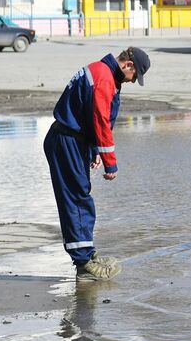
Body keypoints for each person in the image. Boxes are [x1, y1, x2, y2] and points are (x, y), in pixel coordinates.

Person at [43, 47, 150, 281]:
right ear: (128, 65)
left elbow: (87, 114)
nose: (132, 82)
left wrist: (93, 150)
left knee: (80, 196)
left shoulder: (102, 72)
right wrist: (110, 162)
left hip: (71, 139)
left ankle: (86, 255)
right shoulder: (103, 77)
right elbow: (101, 120)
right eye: (135, 76)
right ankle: (83, 263)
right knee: (77, 198)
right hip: (66, 141)